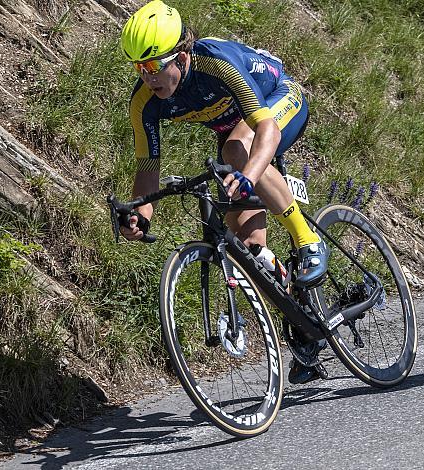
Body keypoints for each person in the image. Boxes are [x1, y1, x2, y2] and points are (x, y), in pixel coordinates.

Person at [118, 0, 328, 381]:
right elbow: (148, 169)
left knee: (237, 150)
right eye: (139, 68)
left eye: (153, 66)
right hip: (237, 134)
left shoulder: (215, 64)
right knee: (251, 253)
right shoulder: (144, 102)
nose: (147, 77)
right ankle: (304, 321)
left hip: (278, 103)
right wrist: (139, 215)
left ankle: (308, 239)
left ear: (181, 56)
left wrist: (248, 174)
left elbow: (266, 130)